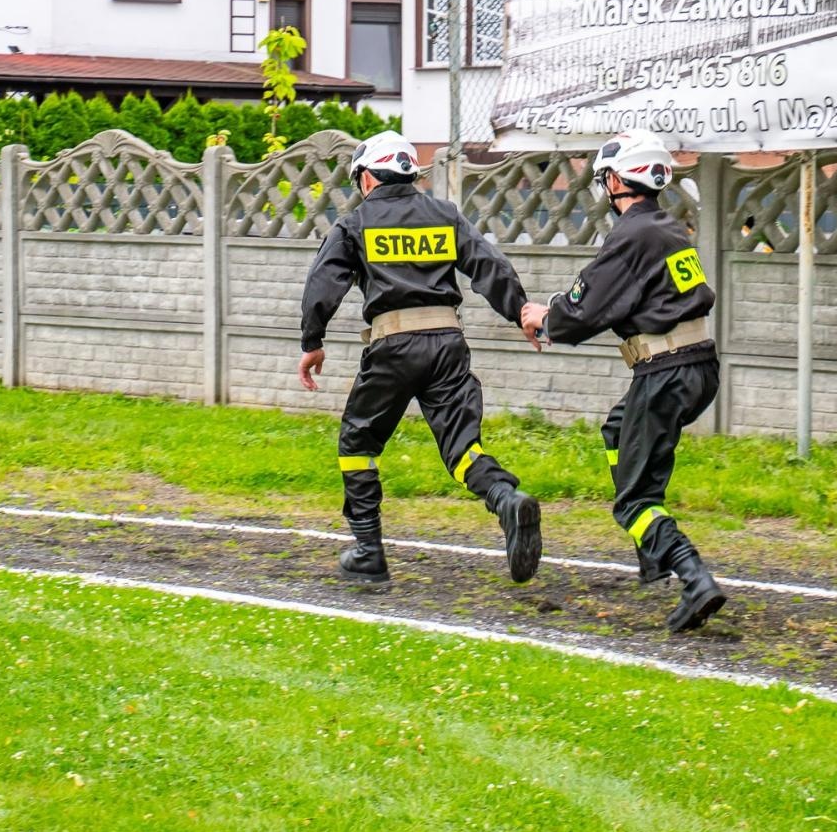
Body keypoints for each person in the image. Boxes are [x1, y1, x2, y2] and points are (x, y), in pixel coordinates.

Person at [298, 130, 542, 587]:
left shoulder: (355, 224)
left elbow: (322, 284)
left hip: (392, 348)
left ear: (368, 177)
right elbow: (489, 265)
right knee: (463, 449)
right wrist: (520, 312)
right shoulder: (444, 214)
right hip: (448, 344)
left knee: (358, 445)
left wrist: (312, 342)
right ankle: (506, 498)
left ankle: (369, 553)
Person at [520, 129, 727, 633]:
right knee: (618, 431)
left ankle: (692, 575)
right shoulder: (668, 228)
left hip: (666, 372)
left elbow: (586, 307)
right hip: (697, 366)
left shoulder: (632, 235)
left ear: (615, 180)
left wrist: (544, 317)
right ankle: (651, 552)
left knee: (633, 499)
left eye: (603, 180)